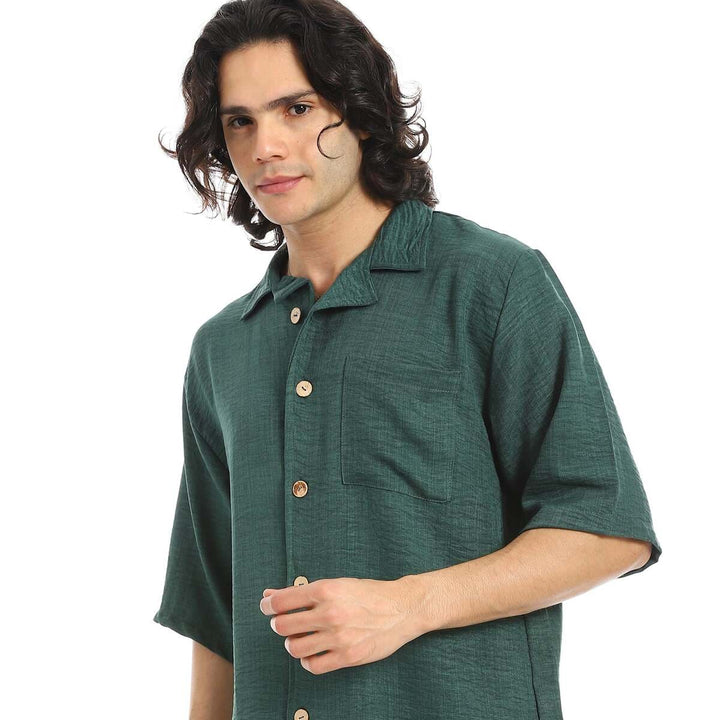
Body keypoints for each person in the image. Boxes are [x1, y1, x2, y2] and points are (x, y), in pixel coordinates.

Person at [152, 1, 662, 718]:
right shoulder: (223, 347)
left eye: (297, 109)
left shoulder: (492, 284)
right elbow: (214, 608)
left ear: (360, 114)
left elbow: (608, 530)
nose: (265, 146)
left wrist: (411, 605)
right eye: (239, 121)